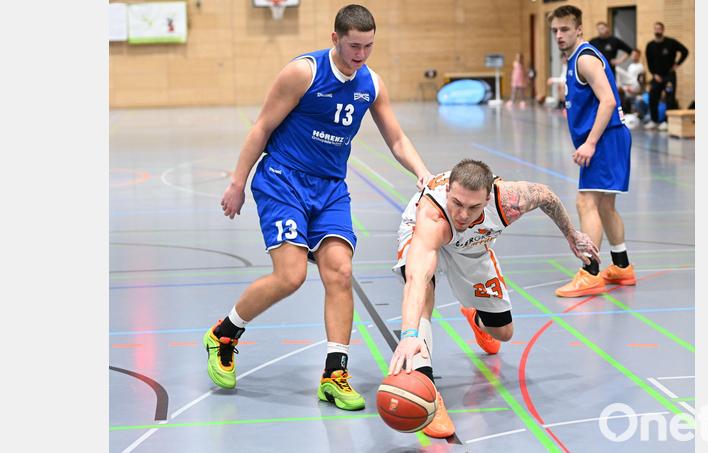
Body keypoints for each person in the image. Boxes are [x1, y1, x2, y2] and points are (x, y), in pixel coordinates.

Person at [203, 4, 433, 412]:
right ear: (335, 39)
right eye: (354, 46)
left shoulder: (371, 84)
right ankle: (224, 333)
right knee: (290, 275)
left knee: (340, 272)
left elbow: (396, 139)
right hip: (283, 180)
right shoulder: (303, 73)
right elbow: (262, 127)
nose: (361, 55)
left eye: (368, 46)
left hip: (330, 189)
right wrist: (238, 183)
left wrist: (422, 172)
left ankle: (334, 375)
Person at [386, 159, 600, 438]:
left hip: (472, 245)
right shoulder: (433, 216)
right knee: (424, 291)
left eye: (473, 207)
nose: (462, 214)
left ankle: (476, 317)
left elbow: (547, 196)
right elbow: (417, 279)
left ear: (487, 199)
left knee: (504, 332)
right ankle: (427, 391)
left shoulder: (508, 200)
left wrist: (571, 234)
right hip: (424, 235)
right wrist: (409, 334)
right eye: (457, 203)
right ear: (448, 190)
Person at [548, 5, 636, 298]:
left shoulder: (585, 59)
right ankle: (621, 266)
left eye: (564, 29)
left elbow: (608, 101)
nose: (559, 35)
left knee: (586, 202)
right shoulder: (575, 59)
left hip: (606, 139)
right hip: (610, 138)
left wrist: (591, 142)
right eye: (555, 30)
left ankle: (591, 272)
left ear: (579, 29)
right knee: (605, 205)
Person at [644, 21, 688, 130]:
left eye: (659, 28)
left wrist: (677, 64)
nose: (657, 30)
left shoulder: (671, 42)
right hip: (656, 77)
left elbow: (685, 51)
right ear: (654, 30)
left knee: (670, 99)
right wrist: (654, 74)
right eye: (656, 28)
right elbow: (649, 62)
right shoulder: (650, 45)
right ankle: (654, 121)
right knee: (652, 97)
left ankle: (667, 122)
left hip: (669, 76)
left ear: (663, 30)